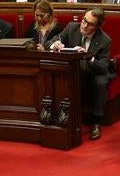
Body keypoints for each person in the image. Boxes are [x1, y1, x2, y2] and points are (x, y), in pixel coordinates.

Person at [48, 8, 114, 141]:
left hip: (94, 72)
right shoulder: (72, 28)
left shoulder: (105, 40)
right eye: (84, 20)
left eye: (89, 24)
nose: (84, 25)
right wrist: (53, 45)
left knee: (101, 82)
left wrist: (88, 56)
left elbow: (103, 68)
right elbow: (50, 41)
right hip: (75, 69)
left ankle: (96, 121)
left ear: (97, 26)